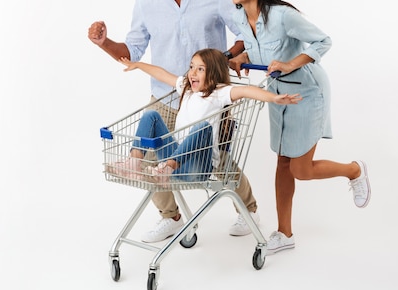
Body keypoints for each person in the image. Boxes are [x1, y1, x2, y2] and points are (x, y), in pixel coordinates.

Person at [88, 0, 260, 243]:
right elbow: (132, 52)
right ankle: (172, 217)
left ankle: (248, 208)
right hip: (167, 95)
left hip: (210, 97)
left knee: (217, 160)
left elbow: (244, 33)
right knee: (151, 157)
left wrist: (228, 58)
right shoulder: (146, 2)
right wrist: (104, 43)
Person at [226, 0, 371, 255]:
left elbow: (323, 41)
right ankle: (285, 233)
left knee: (301, 169)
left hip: (307, 92)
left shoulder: (282, 15)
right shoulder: (241, 17)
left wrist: (292, 63)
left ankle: (354, 170)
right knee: (282, 162)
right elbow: (254, 46)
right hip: (277, 95)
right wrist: (242, 57)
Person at [117, 48, 301, 187]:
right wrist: (138, 65)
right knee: (151, 115)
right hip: (176, 159)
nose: (192, 73)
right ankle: (134, 162)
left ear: (212, 74)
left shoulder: (219, 93)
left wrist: (274, 98)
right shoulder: (186, 88)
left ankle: (167, 168)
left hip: (199, 166)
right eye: (191, 67)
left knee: (202, 127)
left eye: (200, 69)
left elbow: (246, 90)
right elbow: (162, 74)